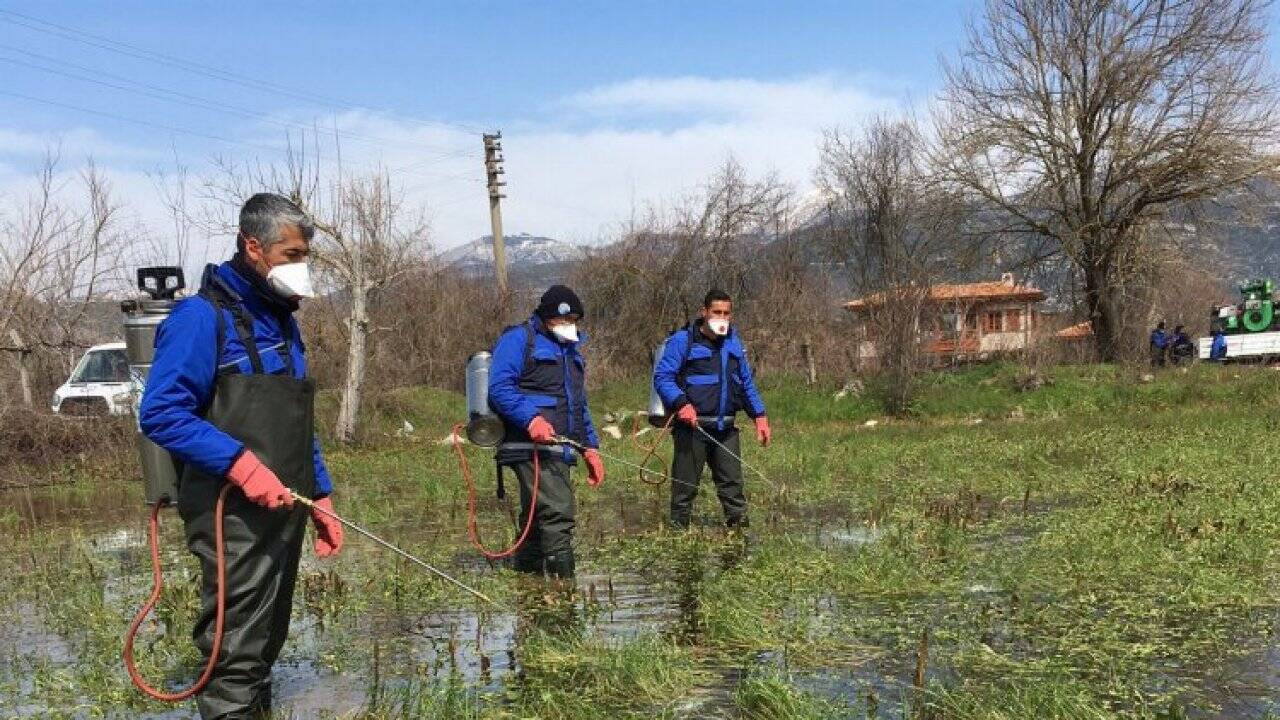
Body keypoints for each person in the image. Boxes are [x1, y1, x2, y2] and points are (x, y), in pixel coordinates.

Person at [139, 193, 343, 719]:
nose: (302, 267)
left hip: (285, 505)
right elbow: (161, 413)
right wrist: (243, 466)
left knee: (262, 645)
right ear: (253, 246)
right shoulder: (200, 318)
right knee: (233, 653)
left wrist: (318, 493)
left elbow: (295, 414)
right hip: (230, 509)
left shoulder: (280, 319)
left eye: (306, 255)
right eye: (293, 254)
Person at [487, 285, 604, 579]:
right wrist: (531, 420)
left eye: (573, 319)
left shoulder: (571, 351)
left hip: (559, 447)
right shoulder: (518, 340)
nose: (567, 325)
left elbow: (578, 404)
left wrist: (589, 447)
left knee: (537, 517)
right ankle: (564, 593)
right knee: (558, 513)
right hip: (528, 445)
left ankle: (529, 588)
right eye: (560, 320)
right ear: (545, 317)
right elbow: (499, 388)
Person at [653, 289, 770, 529]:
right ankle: (678, 541)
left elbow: (746, 382)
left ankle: (739, 543)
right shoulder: (682, 341)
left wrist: (760, 416)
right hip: (692, 429)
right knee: (684, 492)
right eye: (717, 312)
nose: (722, 317)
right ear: (704, 312)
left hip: (726, 430)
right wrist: (681, 404)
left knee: (733, 492)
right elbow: (663, 377)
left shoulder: (734, 343)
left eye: (727, 313)